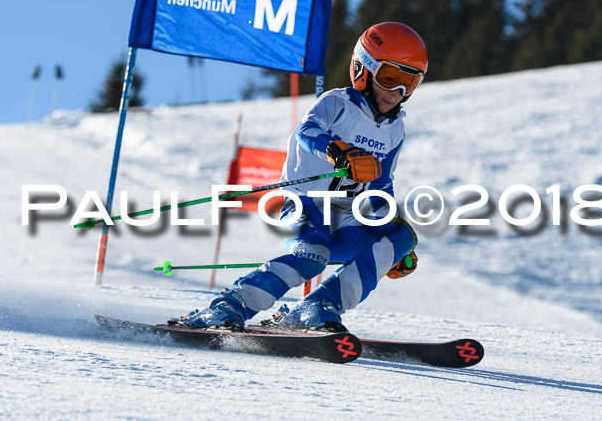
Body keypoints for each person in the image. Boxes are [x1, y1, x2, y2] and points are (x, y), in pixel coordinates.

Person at [182, 22, 428, 331]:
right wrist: (337, 152)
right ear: (363, 70)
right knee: (312, 257)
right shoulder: (337, 104)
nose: (398, 92)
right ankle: (229, 306)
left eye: (410, 82)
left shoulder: (395, 129)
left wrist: (392, 249)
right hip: (304, 207)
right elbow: (306, 132)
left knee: (403, 236)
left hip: (347, 218)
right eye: (390, 78)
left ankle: (318, 306)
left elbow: (380, 186)